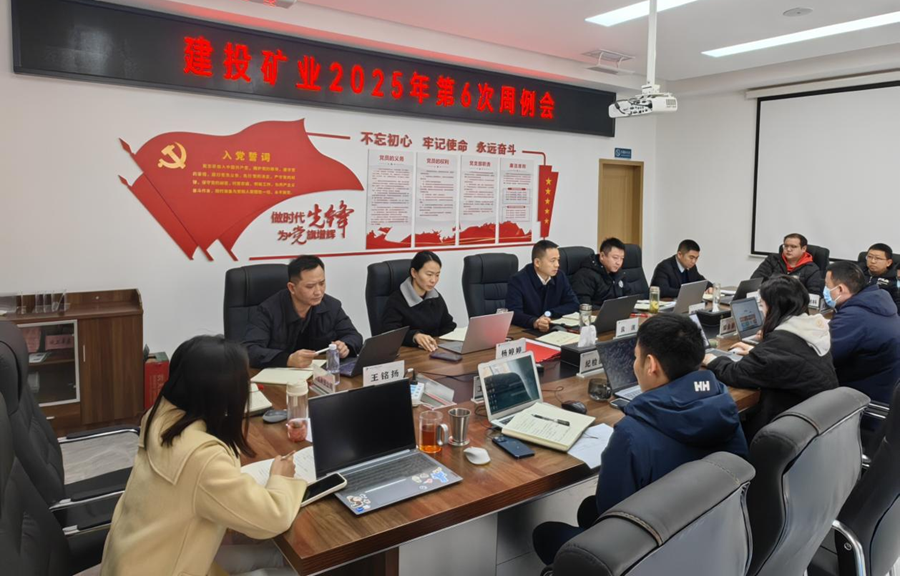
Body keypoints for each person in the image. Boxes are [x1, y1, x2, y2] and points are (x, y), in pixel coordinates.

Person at [532, 315, 747, 566]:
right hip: (715, 540)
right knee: (587, 509)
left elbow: (612, 518)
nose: (634, 365)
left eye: (635, 357)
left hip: (652, 557)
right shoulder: (722, 404)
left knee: (546, 533)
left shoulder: (632, 433)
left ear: (651, 365)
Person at [101, 336, 306, 576]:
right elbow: (274, 518)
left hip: (137, 557)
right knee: (293, 568)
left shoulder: (160, 416)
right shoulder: (201, 458)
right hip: (164, 567)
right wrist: (281, 478)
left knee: (275, 555)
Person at [703, 275, 838, 439]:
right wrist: (757, 351)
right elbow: (791, 356)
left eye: (761, 305)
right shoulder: (811, 330)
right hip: (819, 422)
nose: (761, 311)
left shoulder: (779, 344)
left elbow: (736, 373)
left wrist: (711, 359)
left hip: (790, 430)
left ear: (774, 307)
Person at [243, 255, 363, 369]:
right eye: (310, 286)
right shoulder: (268, 310)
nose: (318, 292)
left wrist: (345, 346)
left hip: (320, 375)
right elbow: (250, 350)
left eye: (322, 283)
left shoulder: (332, 306)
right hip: (280, 376)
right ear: (292, 288)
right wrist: (288, 359)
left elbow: (354, 336)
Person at [825, 261, 900, 405]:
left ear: (840, 289)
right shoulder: (876, 302)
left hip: (863, 400)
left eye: (827, 286)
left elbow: (822, 355)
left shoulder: (855, 317)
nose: (825, 290)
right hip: (884, 391)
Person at [381, 251, 456, 352]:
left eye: (437, 275)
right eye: (429, 274)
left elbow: (448, 325)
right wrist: (414, 336)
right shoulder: (396, 300)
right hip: (409, 355)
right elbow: (390, 334)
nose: (433, 280)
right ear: (414, 273)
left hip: (434, 351)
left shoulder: (435, 296)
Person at [506, 239, 579, 332]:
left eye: (558, 260)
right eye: (552, 261)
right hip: (527, 331)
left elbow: (574, 304)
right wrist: (535, 322)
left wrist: (550, 313)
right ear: (537, 262)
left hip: (552, 326)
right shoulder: (518, 280)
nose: (557, 265)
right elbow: (514, 313)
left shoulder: (560, 276)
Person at [572, 237, 639, 307]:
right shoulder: (585, 275)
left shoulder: (619, 273)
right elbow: (584, 306)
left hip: (616, 312)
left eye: (622, 258)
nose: (619, 263)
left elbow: (629, 297)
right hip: (598, 313)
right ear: (602, 256)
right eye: (615, 258)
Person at [751, 233, 823, 295]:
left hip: (796, 303)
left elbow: (814, 294)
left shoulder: (811, 268)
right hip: (771, 298)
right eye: (786, 246)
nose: (788, 249)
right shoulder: (772, 260)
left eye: (793, 247)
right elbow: (755, 280)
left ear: (803, 249)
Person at [861, 243, 900, 314]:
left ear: (888, 262)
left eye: (878, 258)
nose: (872, 261)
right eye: (869, 257)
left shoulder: (895, 280)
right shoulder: (857, 272)